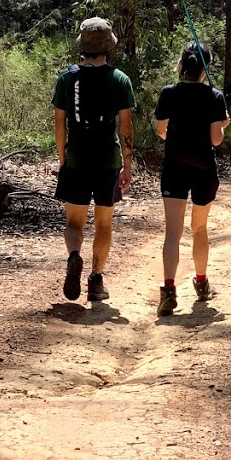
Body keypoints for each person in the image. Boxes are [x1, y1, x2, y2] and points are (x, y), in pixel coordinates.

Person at [52, 16, 135, 303]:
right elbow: (125, 127)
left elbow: (59, 124)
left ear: (83, 46)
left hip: (76, 158)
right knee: (104, 224)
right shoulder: (120, 80)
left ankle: (74, 256)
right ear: (108, 48)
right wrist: (128, 164)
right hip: (107, 161)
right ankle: (96, 280)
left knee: (74, 223)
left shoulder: (66, 78)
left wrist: (62, 158)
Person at [154, 41, 230, 316]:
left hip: (175, 165)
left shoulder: (168, 93)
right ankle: (201, 282)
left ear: (182, 65)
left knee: (172, 232)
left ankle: (169, 290)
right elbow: (216, 141)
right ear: (205, 67)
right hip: (203, 169)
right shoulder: (215, 97)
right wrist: (222, 124)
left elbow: (161, 131)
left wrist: (175, 137)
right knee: (199, 228)